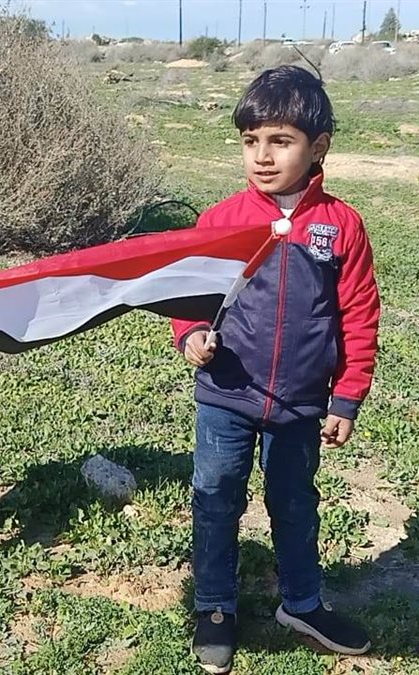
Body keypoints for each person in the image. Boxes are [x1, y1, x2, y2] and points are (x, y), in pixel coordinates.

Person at [171, 65, 381, 673]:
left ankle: (302, 603)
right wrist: (191, 335)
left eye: (280, 141)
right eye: (251, 141)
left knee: (294, 504)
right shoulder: (221, 219)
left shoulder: (341, 226)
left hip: (300, 403)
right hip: (227, 396)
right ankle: (215, 607)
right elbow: (189, 295)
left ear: (318, 147)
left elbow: (359, 314)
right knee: (215, 499)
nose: (262, 156)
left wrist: (346, 397)